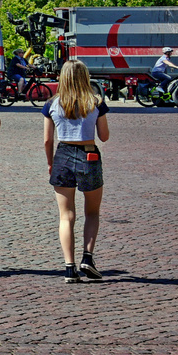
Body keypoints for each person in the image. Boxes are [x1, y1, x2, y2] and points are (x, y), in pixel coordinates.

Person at [44, 58, 110, 283]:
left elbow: (47, 140)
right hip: (88, 154)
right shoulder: (95, 102)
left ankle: (69, 268)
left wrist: (50, 162)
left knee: (66, 215)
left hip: (62, 154)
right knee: (92, 212)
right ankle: (88, 258)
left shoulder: (52, 104)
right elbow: (104, 136)